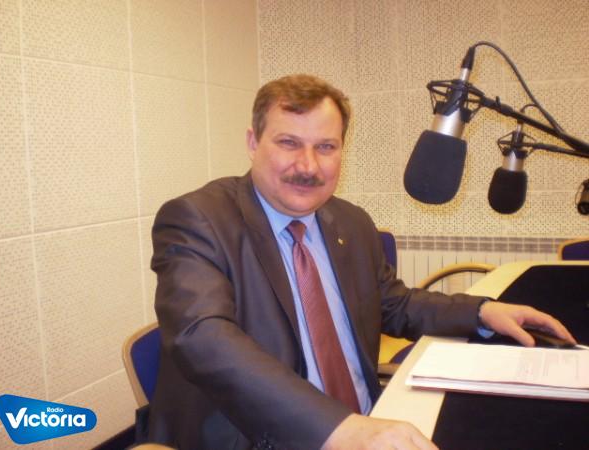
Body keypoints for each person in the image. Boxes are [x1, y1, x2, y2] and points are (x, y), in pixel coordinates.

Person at [147, 74, 575, 450]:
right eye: (289, 143)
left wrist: (481, 312)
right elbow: (202, 337)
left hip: (369, 418)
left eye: (326, 147)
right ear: (253, 143)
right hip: (265, 434)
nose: (307, 166)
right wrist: (338, 428)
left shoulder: (350, 221)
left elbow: (394, 303)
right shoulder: (198, 219)